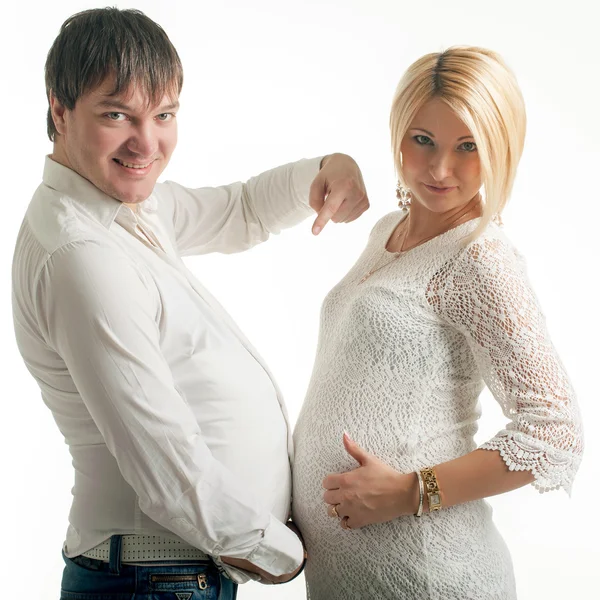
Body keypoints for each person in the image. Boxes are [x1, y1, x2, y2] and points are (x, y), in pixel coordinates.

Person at [11, 8, 369, 600]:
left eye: (164, 115)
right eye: (116, 115)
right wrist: (285, 554)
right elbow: (168, 470)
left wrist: (326, 170)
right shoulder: (82, 254)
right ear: (59, 108)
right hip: (156, 578)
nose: (146, 143)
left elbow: (241, 210)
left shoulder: (123, 207)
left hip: (169, 575)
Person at [292, 46, 583, 600]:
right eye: (422, 139)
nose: (440, 168)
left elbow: (554, 431)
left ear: (501, 149)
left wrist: (411, 491)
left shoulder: (480, 257)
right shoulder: (386, 230)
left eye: (467, 147)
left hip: (432, 578)